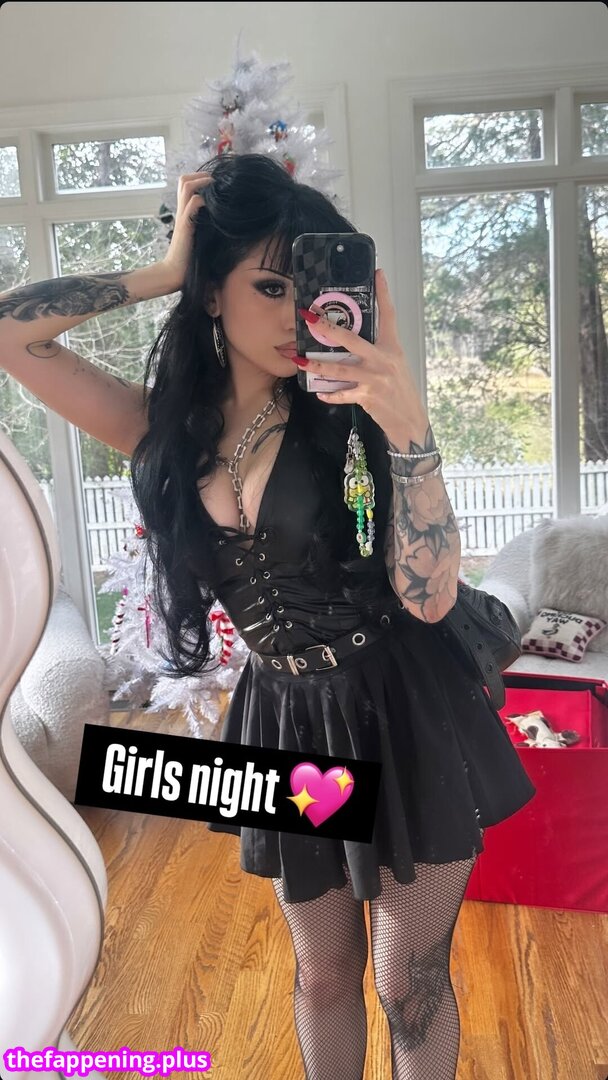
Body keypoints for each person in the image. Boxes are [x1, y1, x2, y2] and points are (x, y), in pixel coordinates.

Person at [0, 153, 536, 1080]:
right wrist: (168, 268)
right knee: (322, 975)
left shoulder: (355, 413)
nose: (297, 315)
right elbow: (13, 332)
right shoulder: (164, 430)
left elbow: (431, 596)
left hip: (402, 705)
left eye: (309, 286)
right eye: (269, 285)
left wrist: (408, 425)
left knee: (407, 982)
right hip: (283, 717)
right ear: (214, 294)